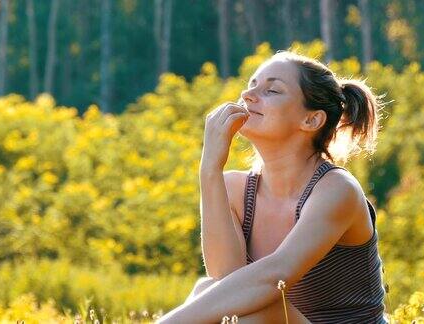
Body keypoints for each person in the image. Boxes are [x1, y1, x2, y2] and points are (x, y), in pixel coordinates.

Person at [156, 51, 388, 323]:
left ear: (311, 120)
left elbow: (275, 276)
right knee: (208, 290)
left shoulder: (336, 189)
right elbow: (227, 285)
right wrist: (209, 169)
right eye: (252, 84)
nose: (249, 95)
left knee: (266, 312)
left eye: (272, 90)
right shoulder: (234, 189)